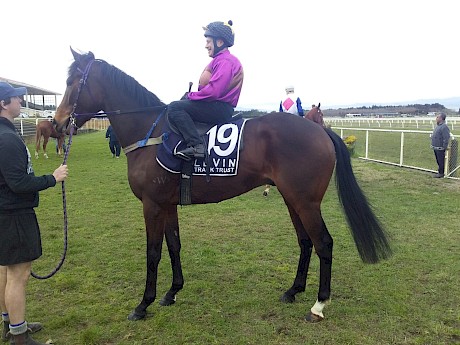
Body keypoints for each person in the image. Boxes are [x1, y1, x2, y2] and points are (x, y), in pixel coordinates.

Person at [0, 82, 68, 345]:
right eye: (17, 99)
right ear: (4, 104)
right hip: (13, 214)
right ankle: (19, 335)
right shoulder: (7, 139)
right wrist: (52, 178)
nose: (21, 103)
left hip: (6, 211)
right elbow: (18, 183)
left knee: (5, 270)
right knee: (19, 274)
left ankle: (11, 323)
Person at [168, 20, 244, 159]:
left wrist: (191, 96)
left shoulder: (225, 61)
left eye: (209, 41)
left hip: (218, 108)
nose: (206, 46)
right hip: (216, 106)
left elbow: (214, 92)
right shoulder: (221, 60)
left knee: (174, 107)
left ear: (219, 42)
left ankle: (197, 146)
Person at [430, 112, 451, 178]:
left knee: (441, 161)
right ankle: (440, 171)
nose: (436, 118)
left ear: (441, 118)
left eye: (437, 117)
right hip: (436, 147)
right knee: (438, 160)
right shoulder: (438, 126)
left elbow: (446, 137)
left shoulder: (444, 127)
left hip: (440, 148)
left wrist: (444, 147)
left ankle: (441, 173)